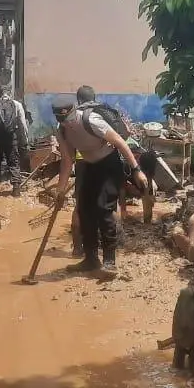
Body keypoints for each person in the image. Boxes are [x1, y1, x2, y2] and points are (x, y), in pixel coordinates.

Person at [52, 95, 148, 279]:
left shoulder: (91, 120)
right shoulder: (62, 131)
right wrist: (60, 190)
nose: (68, 124)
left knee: (104, 209)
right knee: (84, 211)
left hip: (109, 165)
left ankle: (110, 261)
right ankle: (91, 259)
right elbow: (67, 160)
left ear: (74, 112)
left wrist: (137, 170)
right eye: (63, 121)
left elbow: (119, 142)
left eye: (69, 119)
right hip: (88, 167)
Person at [0, 86, 29, 198]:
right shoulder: (17, 105)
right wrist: (24, 140)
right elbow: (22, 124)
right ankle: (16, 190)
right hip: (10, 137)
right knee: (14, 162)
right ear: (10, 93)